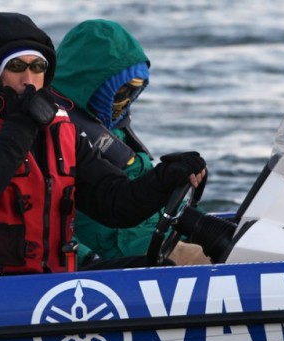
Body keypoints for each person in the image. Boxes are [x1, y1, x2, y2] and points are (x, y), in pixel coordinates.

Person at [0, 12, 206, 278]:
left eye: (38, 67)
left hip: (54, 280)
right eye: (16, 66)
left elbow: (114, 203)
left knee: (161, 271)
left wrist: (165, 177)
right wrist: (20, 125)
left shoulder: (59, 127)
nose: (28, 79)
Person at [52, 19, 209, 267]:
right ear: (95, 84)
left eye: (134, 90)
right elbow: (47, 224)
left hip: (158, 240)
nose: (125, 101)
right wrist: (88, 261)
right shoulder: (54, 135)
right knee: (214, 259)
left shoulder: (117, 132)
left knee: (237, 243)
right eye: (121, 90)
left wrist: (204, 225)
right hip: (123, 258)